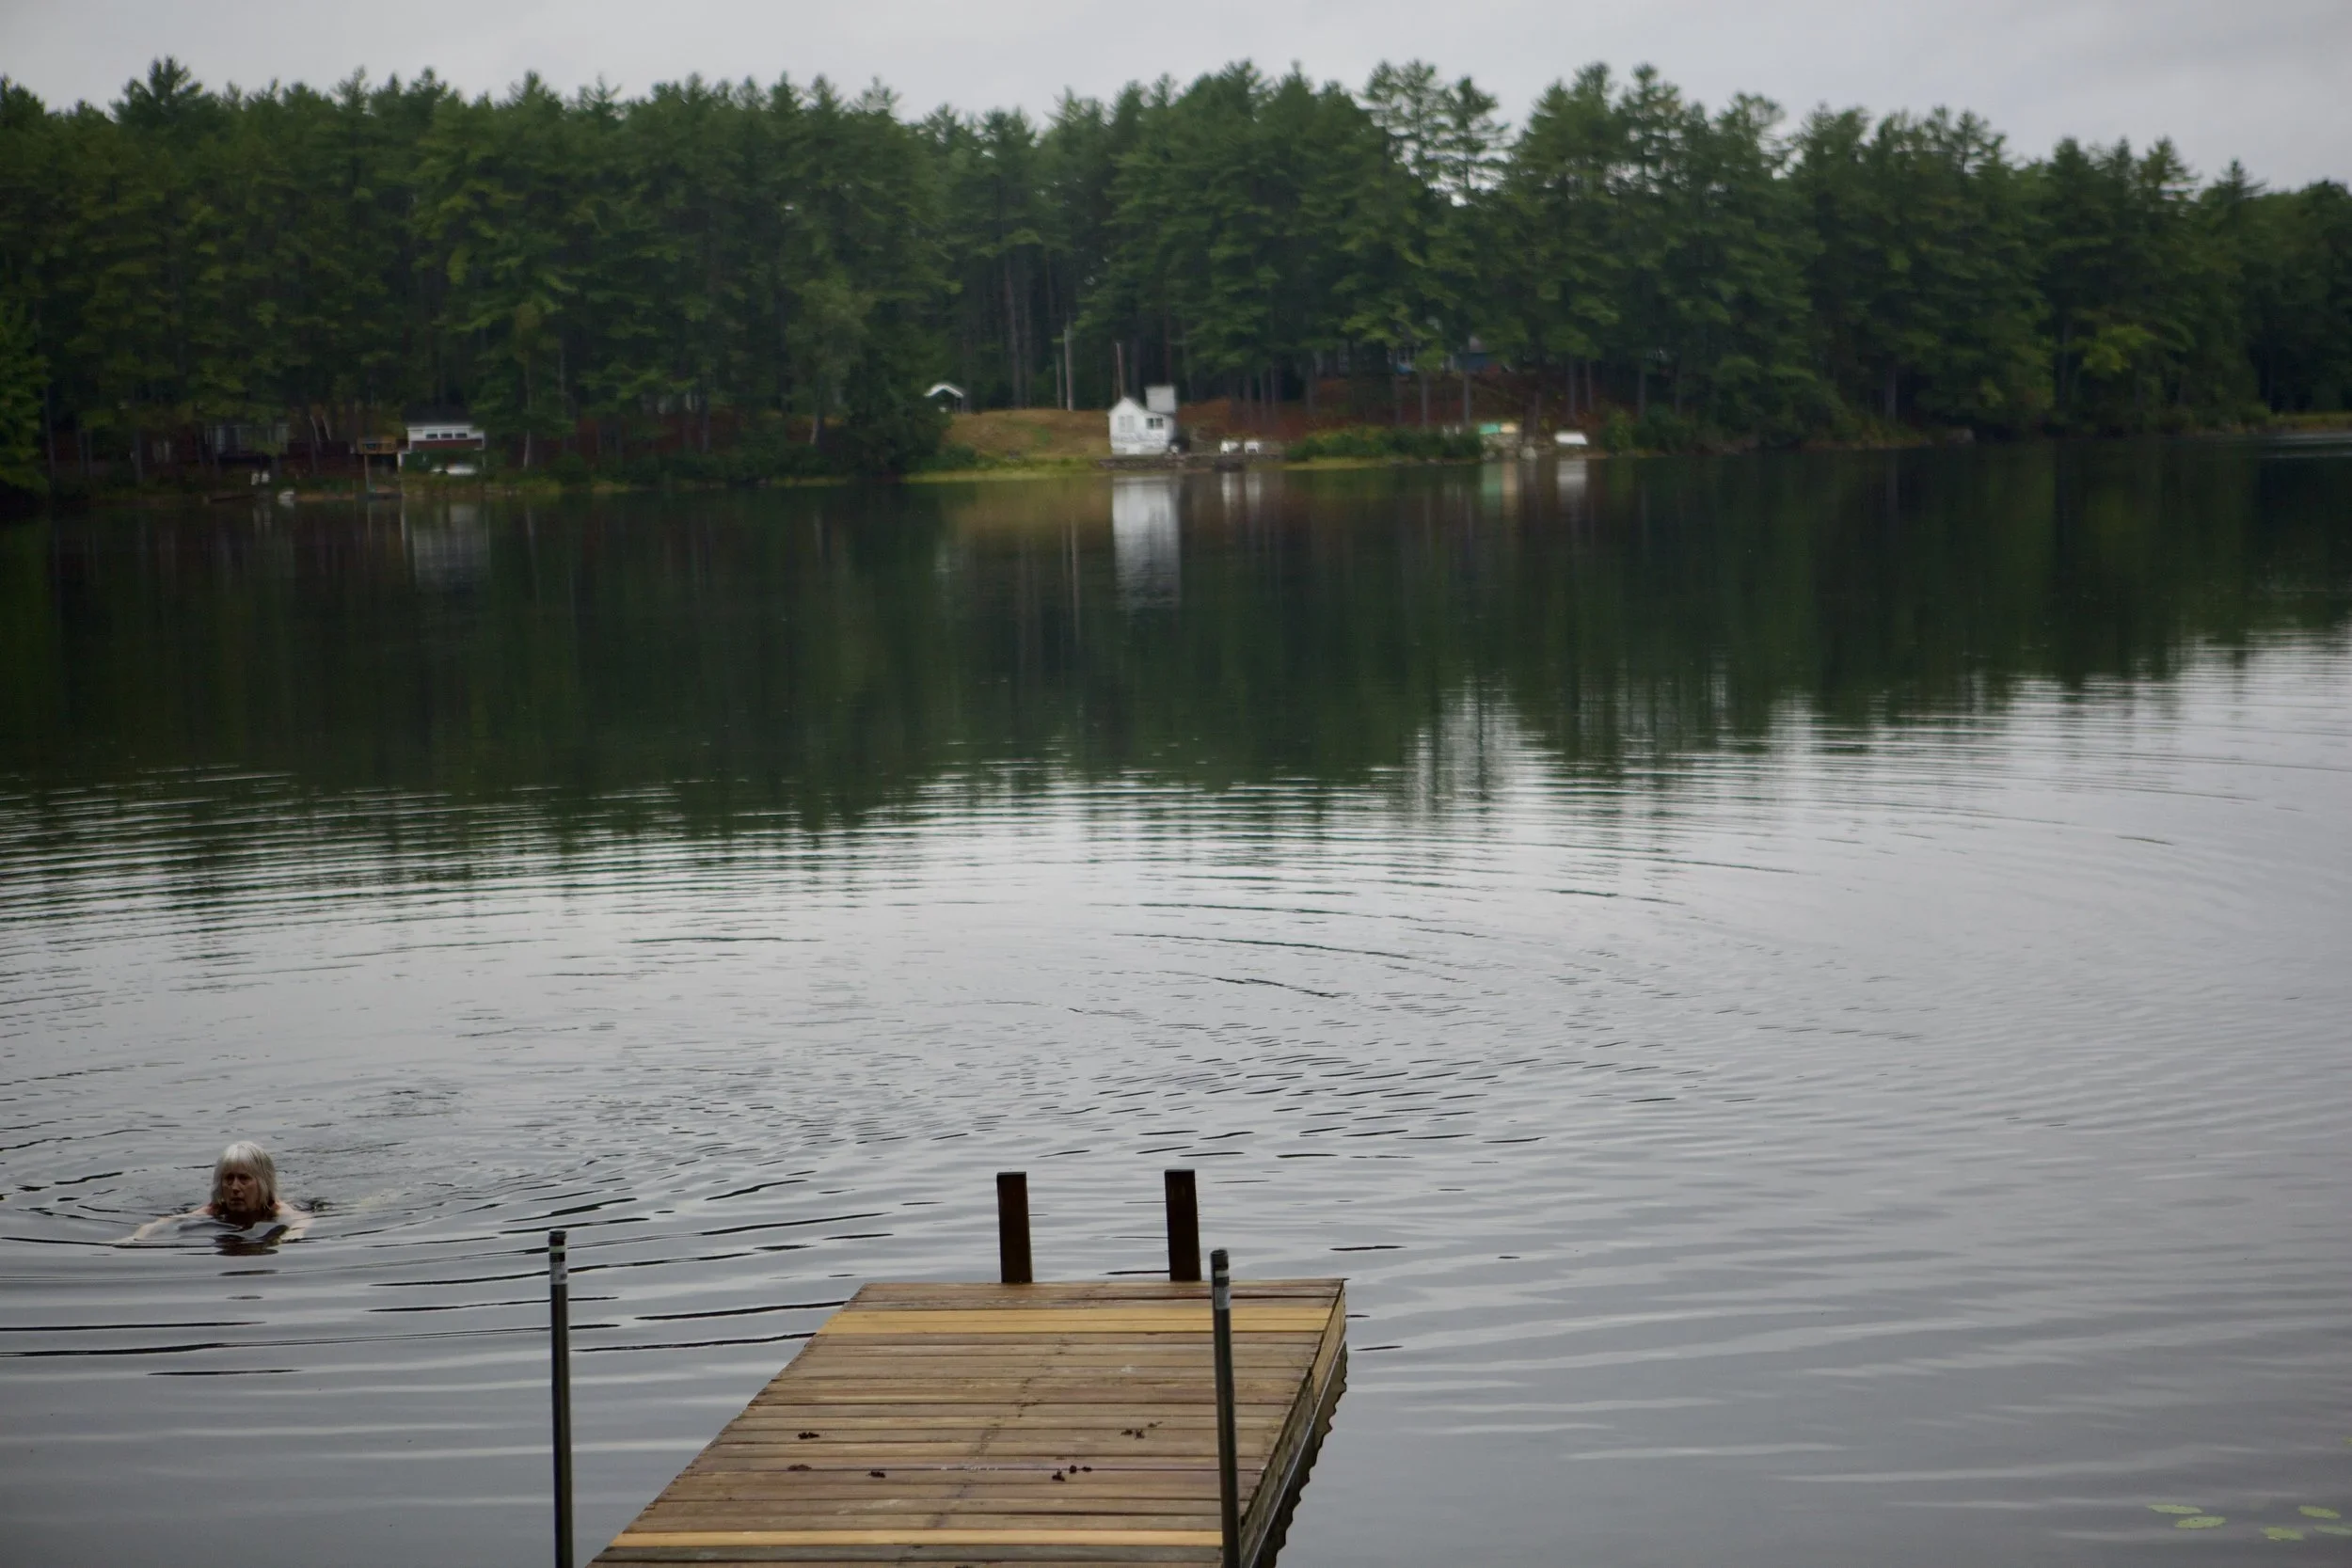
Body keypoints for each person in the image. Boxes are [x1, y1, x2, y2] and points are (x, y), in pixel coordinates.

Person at [126, 1141, 311, 1243]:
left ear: (262, 1183)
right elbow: (168, 1222)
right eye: (229, 1179)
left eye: (244, 1179)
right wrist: (137, 1237)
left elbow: (302, 1220)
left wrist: (293, 1232)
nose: (235, 1187)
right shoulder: (215, 1210)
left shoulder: (276, 1208)